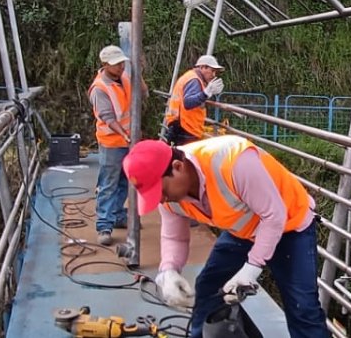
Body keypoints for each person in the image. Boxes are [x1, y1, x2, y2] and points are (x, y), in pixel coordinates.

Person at [123, 135, 328, 338]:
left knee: (302, 308)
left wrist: (251, 268)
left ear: (177, 167)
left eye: (161, 190)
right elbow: (175, 237)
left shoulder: (233, 160)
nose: (160, 199)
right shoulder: (168, 198)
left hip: (289, 227)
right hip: (244, 230)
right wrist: (168, 270)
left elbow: (274, 216)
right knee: (208, 288)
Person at [90, 45, 147, 246]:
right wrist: (125, 134)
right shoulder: (99, 88)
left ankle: (117, 216)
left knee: (125, 180)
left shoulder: (123, 78)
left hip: (127, 140)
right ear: (105, 65)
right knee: (108, 183)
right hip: (112, 143)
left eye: (122, 63)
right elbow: (108, 117)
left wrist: (138, 74)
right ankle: (104, 226)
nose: (121, 67)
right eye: (116, 65)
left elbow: (143, 94)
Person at [162, 54, 225, 145]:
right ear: (203, 67)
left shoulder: (191, 77)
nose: (213, 75)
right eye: (212, 71)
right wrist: (206, 93)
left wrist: (207, 93)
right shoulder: (194, 80)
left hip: (179, 125)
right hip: (186, 127)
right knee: (186, 157)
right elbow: (188, 103)